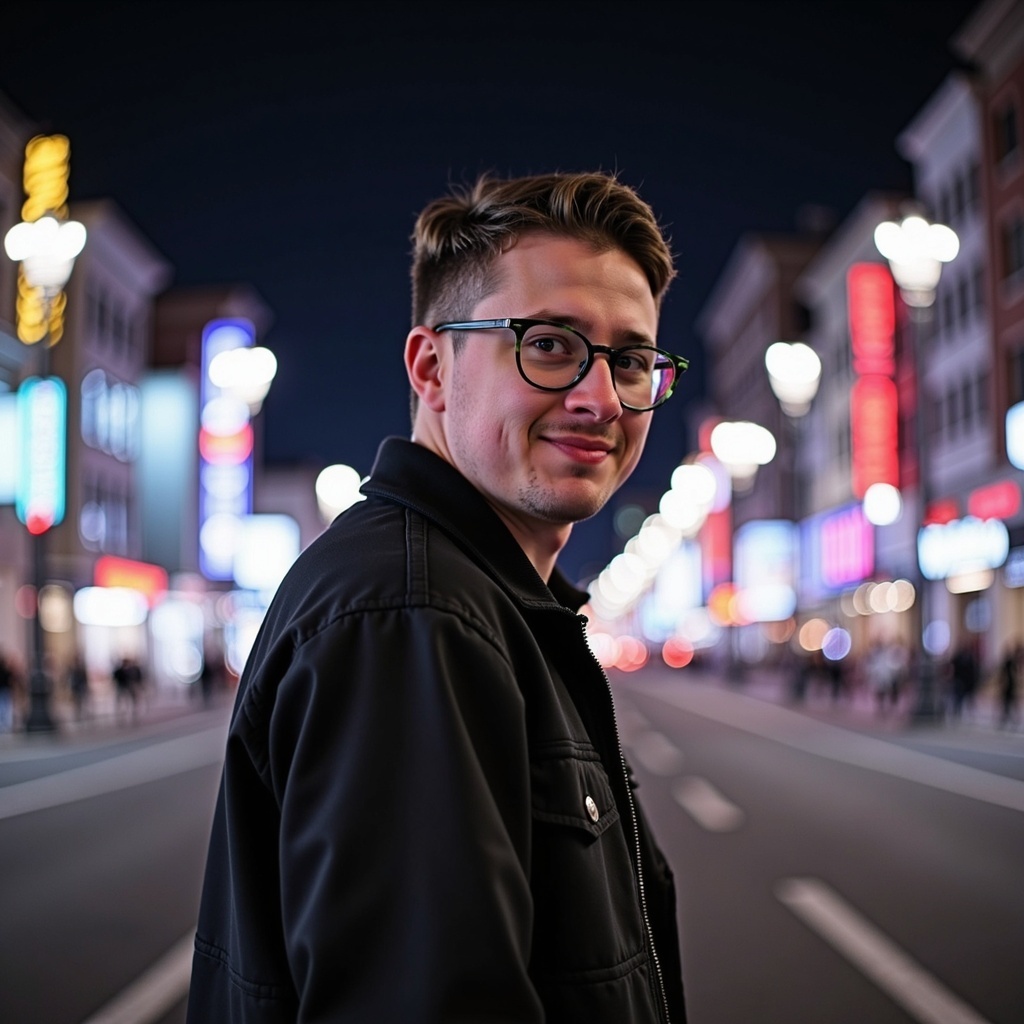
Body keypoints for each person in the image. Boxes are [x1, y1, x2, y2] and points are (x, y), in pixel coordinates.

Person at [187, 172, 689, 1023]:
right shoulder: (413, 615)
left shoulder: (484, 599)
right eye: (551, 343)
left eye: (632, 359)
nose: (601, 398)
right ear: (432, 367)